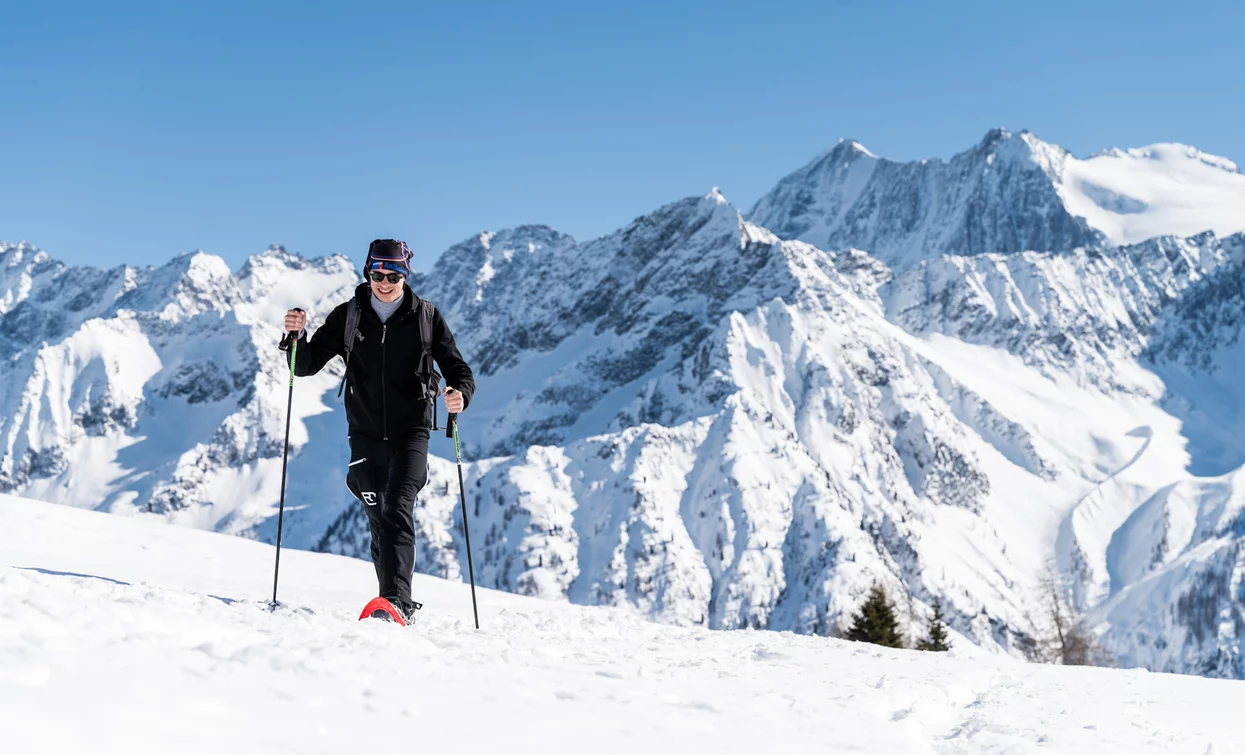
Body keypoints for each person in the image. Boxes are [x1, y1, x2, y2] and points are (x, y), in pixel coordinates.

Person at [280, 238, 474, 622]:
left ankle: (397, 603)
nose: (384, 282)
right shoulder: (349, 316)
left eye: (393, 275)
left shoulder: (425, 317)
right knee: (379, 518)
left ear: (405, 275)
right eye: (376, 274)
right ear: (367, 272)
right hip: (365, 434)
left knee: (398, 508)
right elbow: (304, 367)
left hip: (412, 432)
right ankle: (389, 600)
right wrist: (295, 339)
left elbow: (459, 371)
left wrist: (460, 396)